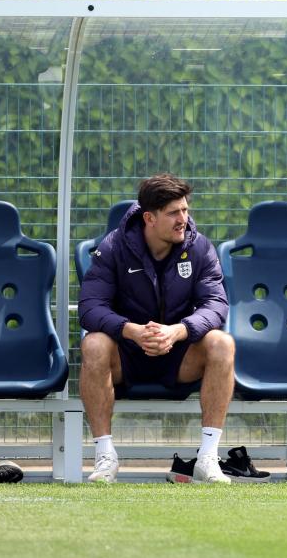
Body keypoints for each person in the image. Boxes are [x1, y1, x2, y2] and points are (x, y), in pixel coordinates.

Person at [78, 173, 235, 484]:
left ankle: (207, 458)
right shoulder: (113, 248)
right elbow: (90, 308)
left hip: (178, 355)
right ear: (149, 218)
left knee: (222, 343)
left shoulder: (200, 247)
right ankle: (105, 457)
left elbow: (216, 306)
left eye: (185, 210)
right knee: (94, 343)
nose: (183, 220)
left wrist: (177, 331)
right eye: (174, 213)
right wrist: (132, 331)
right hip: (127, 354)